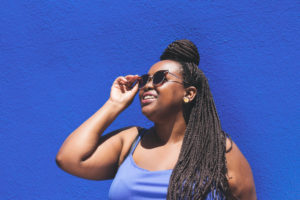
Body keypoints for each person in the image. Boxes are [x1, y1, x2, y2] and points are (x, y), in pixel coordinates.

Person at [56, 39, 256, 199]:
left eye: (160, 78)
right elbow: (68, 159)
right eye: (145, 79)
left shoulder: (219, 150)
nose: (148, 85)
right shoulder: (130, 141)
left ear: (190, 93)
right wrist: (115, 104)